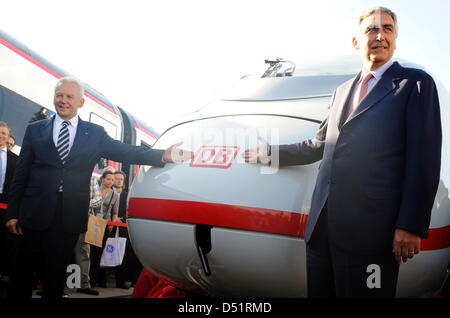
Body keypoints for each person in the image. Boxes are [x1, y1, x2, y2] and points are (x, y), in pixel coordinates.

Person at [243, 6, 441, 297]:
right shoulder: (341, 92)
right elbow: (319, 146)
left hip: (374, 236)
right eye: (371, 29)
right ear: (356, 41)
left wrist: (411, 224)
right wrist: (269, 153)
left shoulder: (416, 84)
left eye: (388, 29)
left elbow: (424, 158)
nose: (380, 36)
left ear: (395, 40)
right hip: (323, 231)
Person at [5, 76, 193, 298]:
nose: (63, 100)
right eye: (59, 95)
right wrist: (13, 213)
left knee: (54, 279)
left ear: (80, 103)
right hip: (32, 214)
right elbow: (21, 175)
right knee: (21, 277)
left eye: (69, 96)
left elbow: (125, 151)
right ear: (54, 98)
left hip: (66, 218)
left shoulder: (94, 134)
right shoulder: (36, 130)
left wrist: (163, 154)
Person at [89, 170, 120, 288]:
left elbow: (115, 212)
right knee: (90, 251)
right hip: (92, 221)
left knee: (99, 253)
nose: (110, 182)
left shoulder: (115, 194)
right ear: (102, 179)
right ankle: (88, 278)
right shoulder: (96, 189)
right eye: (108, 179)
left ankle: (95, 280)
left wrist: (111, 225)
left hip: (105, 224)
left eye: (112, 180)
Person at [73, 175, 102, 296]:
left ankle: (84, 285)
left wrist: (82, 202)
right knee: (59, 251)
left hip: (84, 219)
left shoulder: (91, 179)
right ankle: (52, 284)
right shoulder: (65, 172)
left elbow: (99, 200)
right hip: (62, 217)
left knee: (84, 252)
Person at [0, 122, 18, 282]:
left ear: (8, 136)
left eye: (4, 133)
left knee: (5, 240)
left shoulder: (15, 159)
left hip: (5, 205)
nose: (1, 136)